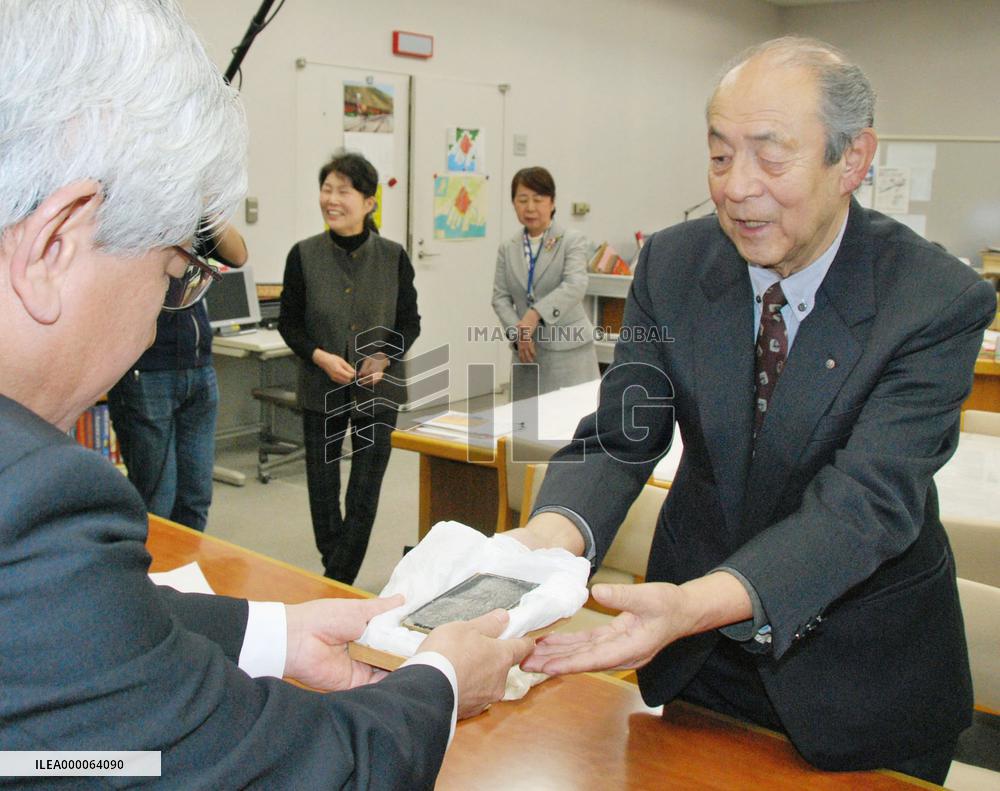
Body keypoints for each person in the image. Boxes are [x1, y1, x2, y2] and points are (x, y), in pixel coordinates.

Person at [0, 2, 532, 787]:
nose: (153, 327)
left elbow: (75, 702)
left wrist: (274, 632)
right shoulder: (38, 504)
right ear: (52, 245)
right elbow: (270, 767)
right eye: (170, 279)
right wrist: (444, 681)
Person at [513, 37, 997, 784]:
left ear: (854, 160)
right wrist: (543, 545)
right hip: (700, 659)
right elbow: (623, 435)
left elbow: (865, 505)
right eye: (718, 157)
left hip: (864, 673)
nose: (737, 188)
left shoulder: (933, 300)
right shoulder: (673, 265)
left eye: (771, 158)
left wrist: (690, 606)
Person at [278, 152, 418, 584]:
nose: (331, 199)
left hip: (379, 391)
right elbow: (289, 324)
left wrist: (384, 356)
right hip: (321, 390)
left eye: (343, 191)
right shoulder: (302, 255)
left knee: (363, 493)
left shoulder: (393, 256)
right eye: (326, 189)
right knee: (322, 491)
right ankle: (337, 576)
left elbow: (409, 323)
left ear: (369, 202)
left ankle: (334, 582)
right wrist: (318, 355)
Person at [107, 221, 247, 531]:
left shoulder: (195, 213)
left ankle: (185, 575)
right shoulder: (131, 210)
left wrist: (211, 206)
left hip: (198, 366)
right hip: (147, 369)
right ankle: (149, 577)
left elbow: (237, 255)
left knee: (196, 496)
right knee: (157, 498)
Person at [492, 166, 599, 401]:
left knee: (569, 424)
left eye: (538, 199)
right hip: (526, 353)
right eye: (522, 200)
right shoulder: (508, 248)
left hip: (568, 354)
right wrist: (519, 332)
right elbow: (500, 297)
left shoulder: (571, 240)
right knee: (524, 425)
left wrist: (534, 314)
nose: (530, 207)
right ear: (513, 204)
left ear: (552, 203)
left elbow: (575, 284)